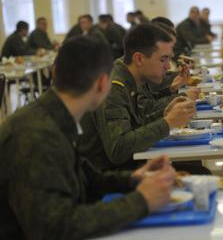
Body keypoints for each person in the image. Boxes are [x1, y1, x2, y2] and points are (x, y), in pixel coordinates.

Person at [0, 35, 176, 239]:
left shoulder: (52, 116)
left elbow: (85, 177)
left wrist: (133, 179)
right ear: (102, 84)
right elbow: (56, 228)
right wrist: (141, 201)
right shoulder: (37, 134)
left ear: (54, 72)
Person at [79, 24, 197, 170]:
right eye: (163, 59)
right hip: (109, 177)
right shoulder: (113, 87)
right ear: (139, 59)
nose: (168, 67)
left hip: (128, 168)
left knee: (194, 167)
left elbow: (136, 123)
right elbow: (118, 149)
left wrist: (165, 112)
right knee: (197, 172)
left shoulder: (130, 76)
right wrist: (168, 122)